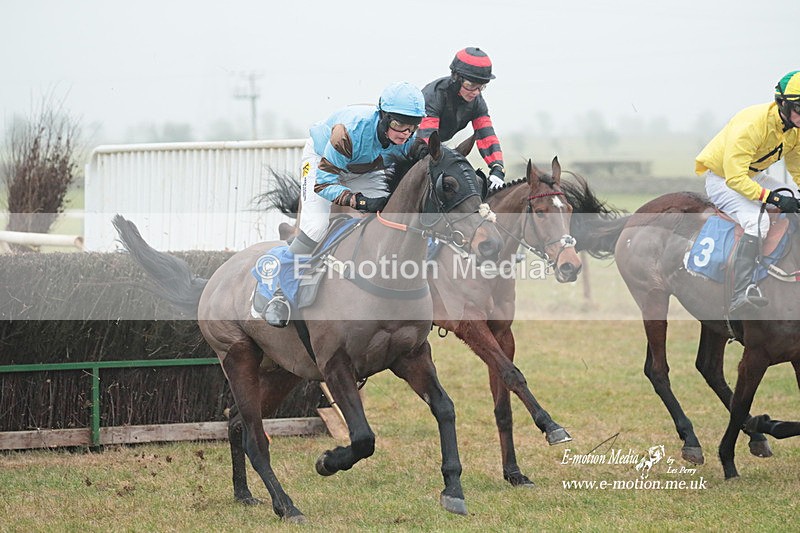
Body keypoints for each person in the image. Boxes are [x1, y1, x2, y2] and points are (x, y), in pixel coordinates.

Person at [262, 81, 426, 327]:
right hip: (322, 163)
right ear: (383, 117)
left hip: (362, 168)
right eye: (398, 124)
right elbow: (325, 184)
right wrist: (360, 201)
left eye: (411, 126)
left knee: (385, 220)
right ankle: (279, 293)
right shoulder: (348, 131)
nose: (404, 133)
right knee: (316, 226)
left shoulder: (406, 139)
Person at [696, 70, 800, 316]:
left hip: (752, 176)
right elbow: (735, 178)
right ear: (782, 103)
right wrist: (774, 199)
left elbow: (797, 168)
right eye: (799, 108)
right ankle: (740, 293)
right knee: (758, 222)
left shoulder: (794, 129)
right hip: (723, 181)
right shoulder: (752, 124)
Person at [418, 47, 506, 190]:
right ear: (456, 78)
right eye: (470, 85)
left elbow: (486, 135)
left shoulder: (477, 101)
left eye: (481, 87)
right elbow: (428, 140)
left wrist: (497, 168)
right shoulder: (434, 95)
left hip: (436, 147)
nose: (476, 93)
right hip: (410, 146)